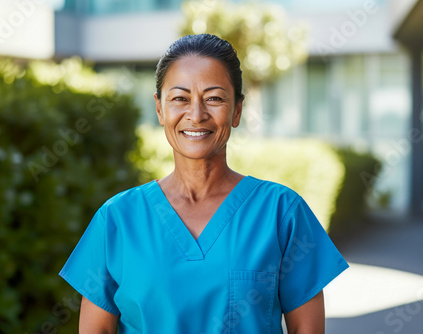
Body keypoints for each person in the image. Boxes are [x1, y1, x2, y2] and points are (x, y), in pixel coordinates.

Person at [59, 34, 348, 334]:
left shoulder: (282, 213)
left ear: (237, 110)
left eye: (214, 98)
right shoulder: (117, 219)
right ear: (159, 109)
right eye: (180, 98)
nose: (196, 115)